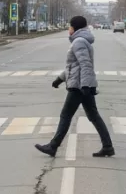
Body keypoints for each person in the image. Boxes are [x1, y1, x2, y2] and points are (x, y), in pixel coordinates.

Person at [36, 16, 115, 158]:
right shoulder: (81, 41)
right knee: (94, 116)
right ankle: (108, 146)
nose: (68, 29)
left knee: (66, 115)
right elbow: (74, 66)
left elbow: (85, 64)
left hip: (79, 86)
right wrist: (59, 79)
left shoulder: (78, 42)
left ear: (75, 28)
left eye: (70, 26)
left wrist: (84, 85)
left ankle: (53, 146)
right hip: (83, 84)